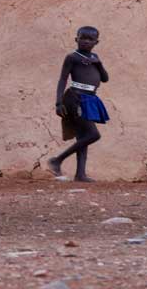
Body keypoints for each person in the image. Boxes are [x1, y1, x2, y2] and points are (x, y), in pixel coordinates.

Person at [47, 26, 110, 182]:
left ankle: (80, 174)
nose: (86, 42)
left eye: (90, 39)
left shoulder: (95, 57)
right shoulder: (72, 57)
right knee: (93, 135)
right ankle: (57, 160)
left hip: (90, 98)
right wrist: (58, 102)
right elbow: (63, 79)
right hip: (75, 98)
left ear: (96, 42)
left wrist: (98, 63)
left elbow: (105, 78)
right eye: (83, 38)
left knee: (83, 137)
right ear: (76, 39)